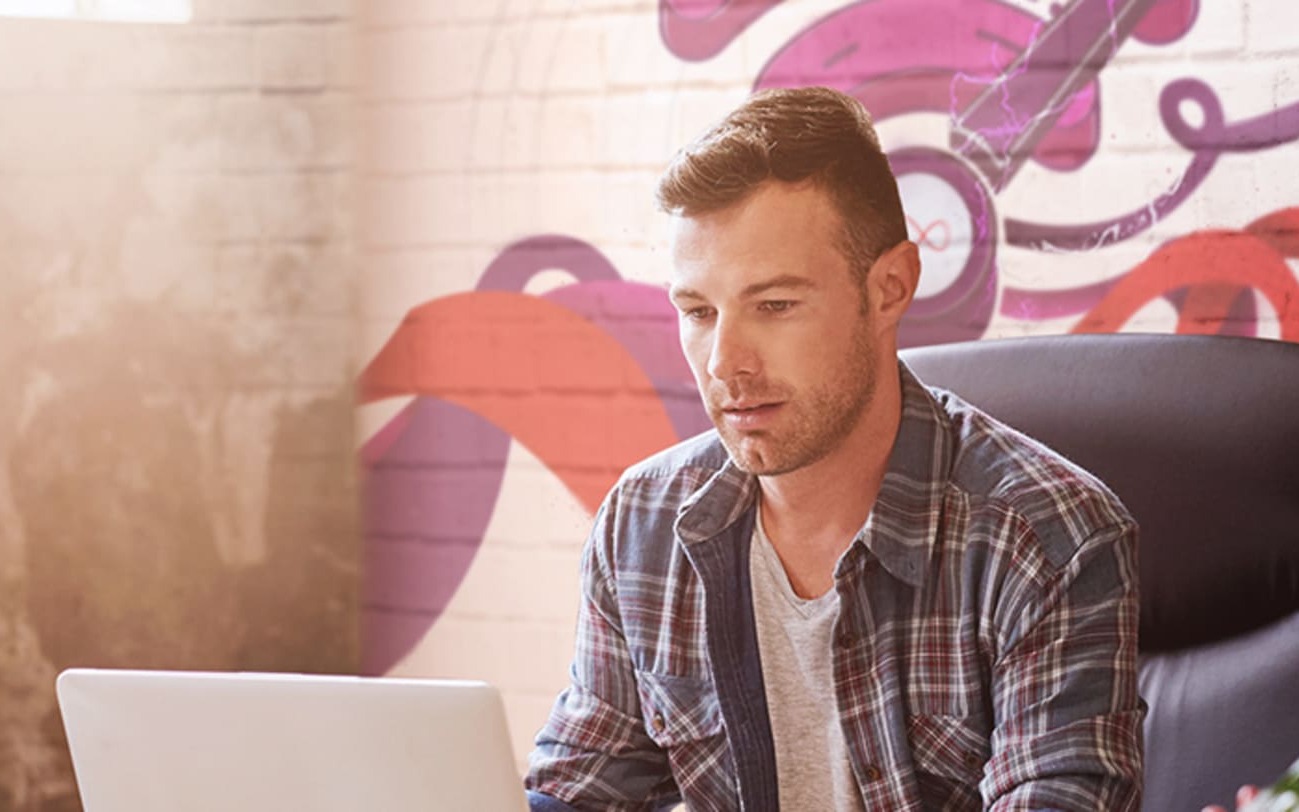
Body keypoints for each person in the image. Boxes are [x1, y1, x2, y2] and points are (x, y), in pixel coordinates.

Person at [524, 86, 1144, 810]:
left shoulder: (1042, 539)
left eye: (775, 306)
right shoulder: (643, 523)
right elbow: (581, 793)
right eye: (697, 312)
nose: (725, 362)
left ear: (889, 288)